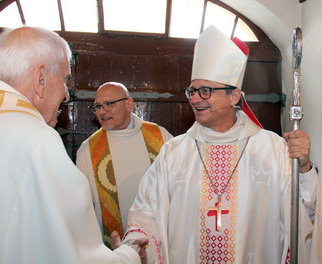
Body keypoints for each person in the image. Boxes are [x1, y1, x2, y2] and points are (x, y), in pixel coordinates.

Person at [122, 25, 319, 264]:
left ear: (234, 97)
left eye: (205, 91)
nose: (195, 99)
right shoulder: (174, 153)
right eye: (192, 91)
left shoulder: (273, 150)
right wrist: (135, 246)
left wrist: (305, 168)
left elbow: (306, 214)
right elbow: (146, 211)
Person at [0, 26, 148, 264]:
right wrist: (129, 255)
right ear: (40, 78)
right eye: (65, 80)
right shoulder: (38, 141)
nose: (66, 95)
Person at [76, 81, 173, 248]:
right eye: (97, 106)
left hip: (158, 241)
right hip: (114, 248)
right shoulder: (88, 150)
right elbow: (81, 209)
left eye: (109, 104)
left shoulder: (159, 136)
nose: (102, 111)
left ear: (129, 104)